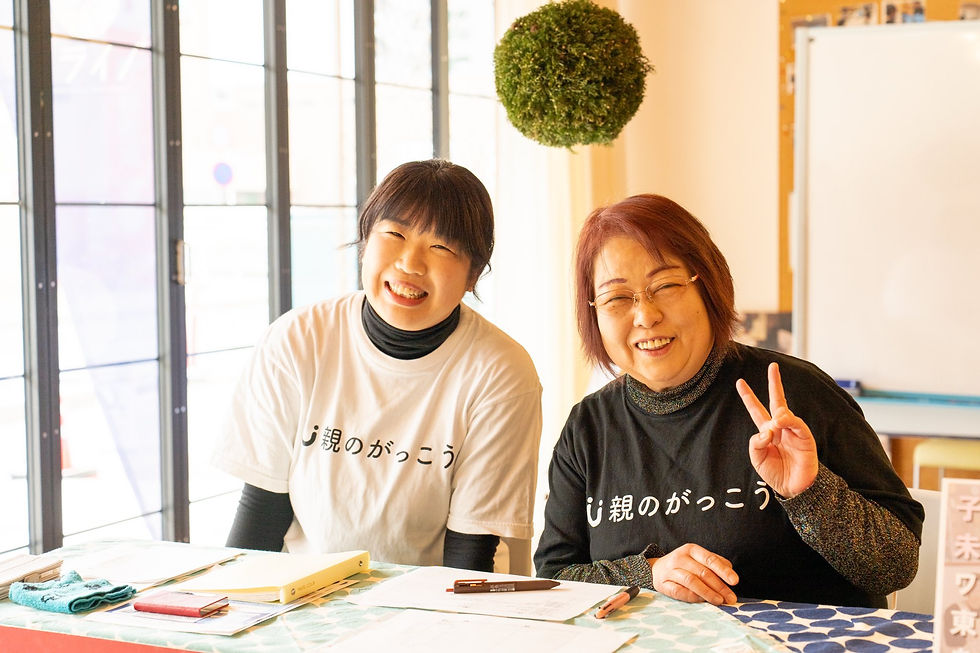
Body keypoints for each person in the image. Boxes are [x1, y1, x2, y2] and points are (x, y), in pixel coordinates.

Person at [533, 193, 923, 608]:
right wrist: (649, 574)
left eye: (666, 286)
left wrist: (811, 494)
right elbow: (555, 579)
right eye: (616, 298)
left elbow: (897, 566)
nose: (645, 316)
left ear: (709, 286)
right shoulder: (589, 427)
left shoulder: (796, 394)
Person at [213, 159, 542, 572]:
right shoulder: (297, 340)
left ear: (473, 275)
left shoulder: (501, 373)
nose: (410, 264)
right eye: (395, 234)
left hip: (438, 598)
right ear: (365, 240)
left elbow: (470, 556)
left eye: (441, 247)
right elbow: (262, 512)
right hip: (307, 592)